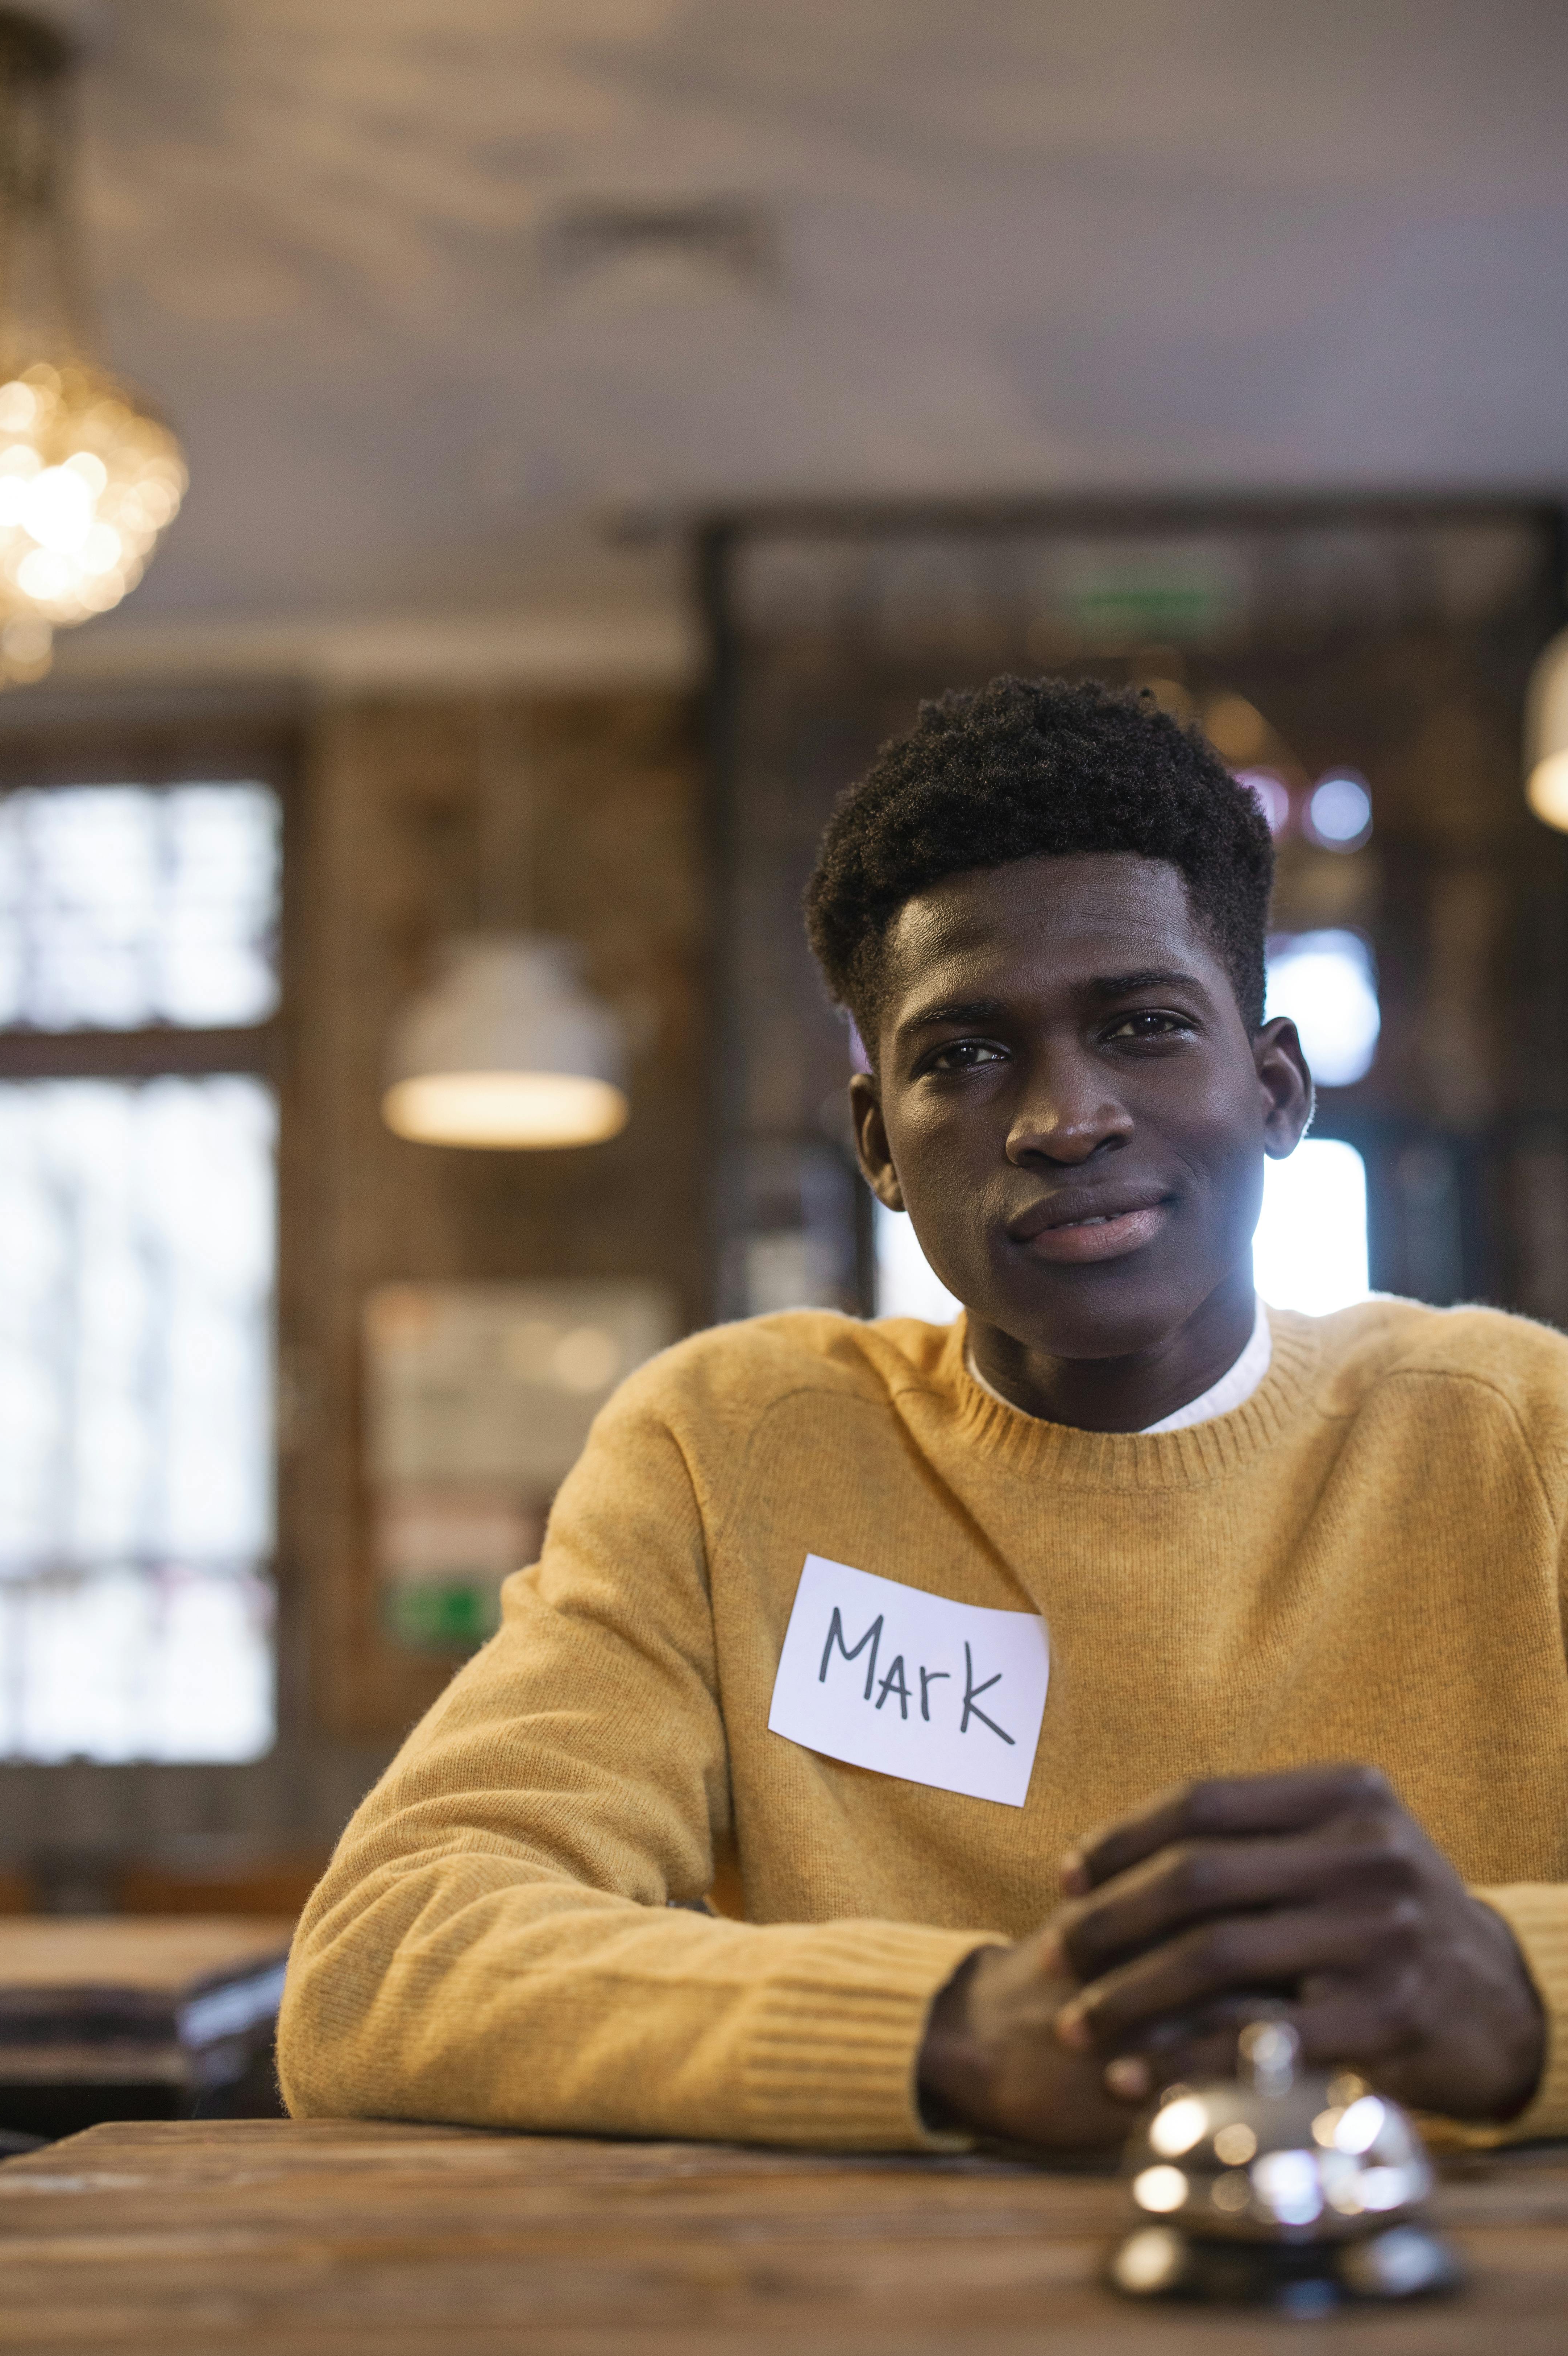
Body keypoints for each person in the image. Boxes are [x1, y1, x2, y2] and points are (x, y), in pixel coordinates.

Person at [279, 675, 1566, 2153]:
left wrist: (1516, 1993)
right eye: (963, 1053)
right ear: (879, 1143)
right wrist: (950, 2026)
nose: (1063, 1115)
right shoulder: (732, 1449)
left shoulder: (1518, 1431)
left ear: (1275, 1088)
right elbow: (387, 1954)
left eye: (1143, 1024)